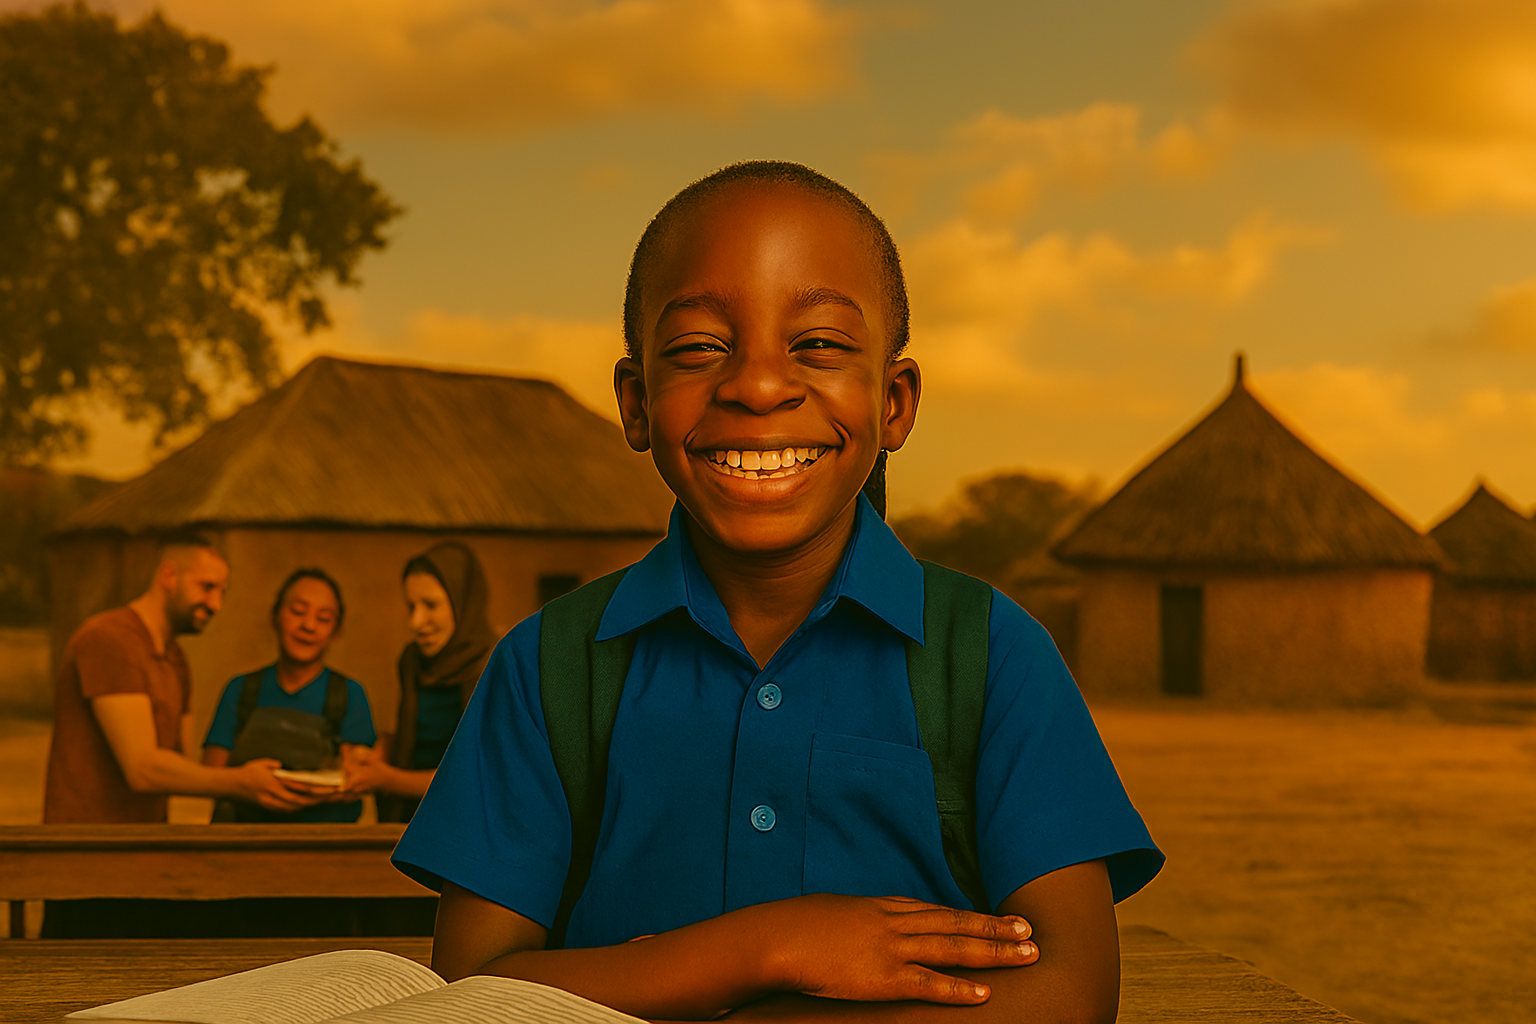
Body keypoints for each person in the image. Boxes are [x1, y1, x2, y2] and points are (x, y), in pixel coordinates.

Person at [392, 162, 1163, 1022]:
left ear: (895, 401)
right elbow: (469, 996)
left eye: (821, 345)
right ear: (637, 401)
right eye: (697, 349)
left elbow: (1072, 995)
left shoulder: (990, 657)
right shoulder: (550, 669)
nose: (758, 386)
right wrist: (772, 946)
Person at [41, 532, 325, 937]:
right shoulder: (108, 639)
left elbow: (181, 770)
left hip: (141, 862)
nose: (215, 604)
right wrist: (240, 782)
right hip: (85, 863)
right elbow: (142, 769)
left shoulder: (176, 661)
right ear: (169, 575)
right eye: (207, 587)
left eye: (223, 592)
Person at [202, 568, 376, 822]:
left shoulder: (350, 695)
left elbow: (357, 781)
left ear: (336, 632)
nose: (308, 625)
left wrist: (307, 791)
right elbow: (212, 776)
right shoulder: (241, 690)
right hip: (242, 842)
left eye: (324, 618)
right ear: (275, 616)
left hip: (324, 845)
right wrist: (247, 785)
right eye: (297, 611)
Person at [339, 542, 496, 823]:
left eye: (430, 605)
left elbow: (478, 777)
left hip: (473, 828)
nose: (416, 621)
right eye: (411, 606)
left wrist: (386, 779)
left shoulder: (498, 667)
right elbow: (418, 740)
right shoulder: (412, 661)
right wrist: (378, 754)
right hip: (412, 823)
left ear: (464, 602)